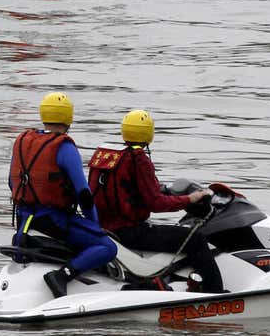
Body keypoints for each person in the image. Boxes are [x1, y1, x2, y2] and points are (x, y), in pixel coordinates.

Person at [91, 109, 224, 294]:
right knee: (196, 240)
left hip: (105, 228)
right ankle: (215, 293)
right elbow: (156, 203)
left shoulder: (107, 156)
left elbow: (124, 188)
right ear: (149, 132)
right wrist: (190, 199)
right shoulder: (138, 159)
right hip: (131, 232)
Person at [9, 92, 118, 299]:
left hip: (24, 222)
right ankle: (62, 276)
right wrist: (94, 224)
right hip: (53, 221)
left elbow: (11, 182)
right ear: (69, 117)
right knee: (107, 247)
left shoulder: (23, 141)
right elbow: (84, 195)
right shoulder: (64, 147)